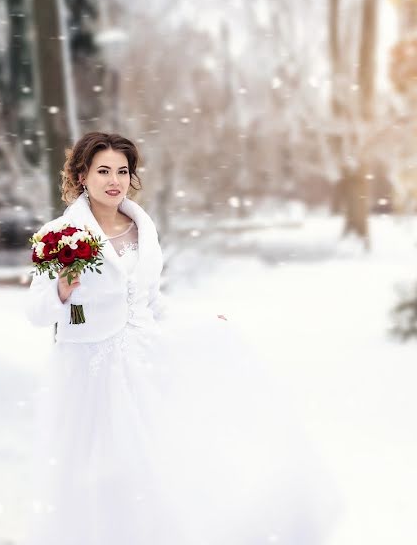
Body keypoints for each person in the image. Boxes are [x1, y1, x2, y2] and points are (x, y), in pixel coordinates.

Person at [23, 132, 342, 545]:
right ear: (82, 175)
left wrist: (205, 325)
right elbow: (36, 313)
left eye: (122, 170)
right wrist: (63, 289)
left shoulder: (143, 228)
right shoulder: (61, 234)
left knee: (161, 473)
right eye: (103, 171)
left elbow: (151, 303)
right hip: (90, 374)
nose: (114, 180)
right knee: (101, 479)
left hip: (145, 365)